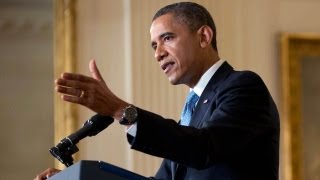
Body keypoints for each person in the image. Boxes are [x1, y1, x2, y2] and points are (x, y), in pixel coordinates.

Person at [35, 2, 280, 180]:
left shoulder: (243, 87)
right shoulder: (193, 109)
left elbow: (204, 148)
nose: (158, 53)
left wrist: (120, 110)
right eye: (154, 45)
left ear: (204, 36)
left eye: (167, 38)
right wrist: (81, 179)